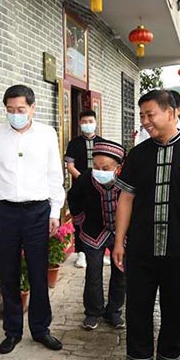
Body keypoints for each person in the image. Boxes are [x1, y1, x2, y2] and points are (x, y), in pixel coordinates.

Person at [112, 89, 180, 360]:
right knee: (138, 310)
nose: (146, 121)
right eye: (142, 116)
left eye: (150, 114)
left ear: (172, 112)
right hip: (141, 248)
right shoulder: (138, 154)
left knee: (174, 310)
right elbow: (126, 198)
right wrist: (119, 241)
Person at [0, 84, 65, 354]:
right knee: (9, 272)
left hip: (38, 211)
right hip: (5, 211)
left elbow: (54, 175)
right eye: (10, 110)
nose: (15, 114)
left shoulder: (47, 134)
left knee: (39, 272)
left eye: (21, 109)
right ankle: (12, 331)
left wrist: (54, 211)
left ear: (32, 108)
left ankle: (41, 330)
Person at [67, 140, 126, 331]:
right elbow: (73, 197)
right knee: (93, 272)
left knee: (121, 272)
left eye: (106, 167)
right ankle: (93, 312)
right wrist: (80, 220)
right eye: (97, 166)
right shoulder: (86, 178)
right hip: (94, 232)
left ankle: (114, 311)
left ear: (118, 167)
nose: (100, 170)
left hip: (121, 233)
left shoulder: (127, 180)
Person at [64, 109, 103, 269]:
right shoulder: (74, 143)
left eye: (90, 121)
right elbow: (69, 166)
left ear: (95, 122)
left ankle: (98, 250)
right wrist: (84, 179)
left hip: (98, 187)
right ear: (80, 124)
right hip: (80, 188)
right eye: (84, 122)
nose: (87, 125)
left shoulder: (102, 142)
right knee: (80, 219)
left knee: (99, 217)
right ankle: (81, 253)